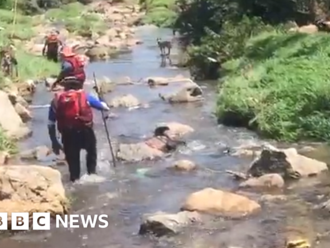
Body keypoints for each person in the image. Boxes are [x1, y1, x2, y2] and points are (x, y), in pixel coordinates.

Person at [48, 76, 110, 182]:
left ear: (64, 86)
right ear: (79, 85)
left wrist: (54, 141)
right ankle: (92, 175)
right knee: (91, 153)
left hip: (67, 134)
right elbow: (105, 108)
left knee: (73, 163)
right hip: (85, 132)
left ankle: (75, 180)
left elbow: (51, 123)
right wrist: (101, 97)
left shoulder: (56, 100)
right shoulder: (85, 96)